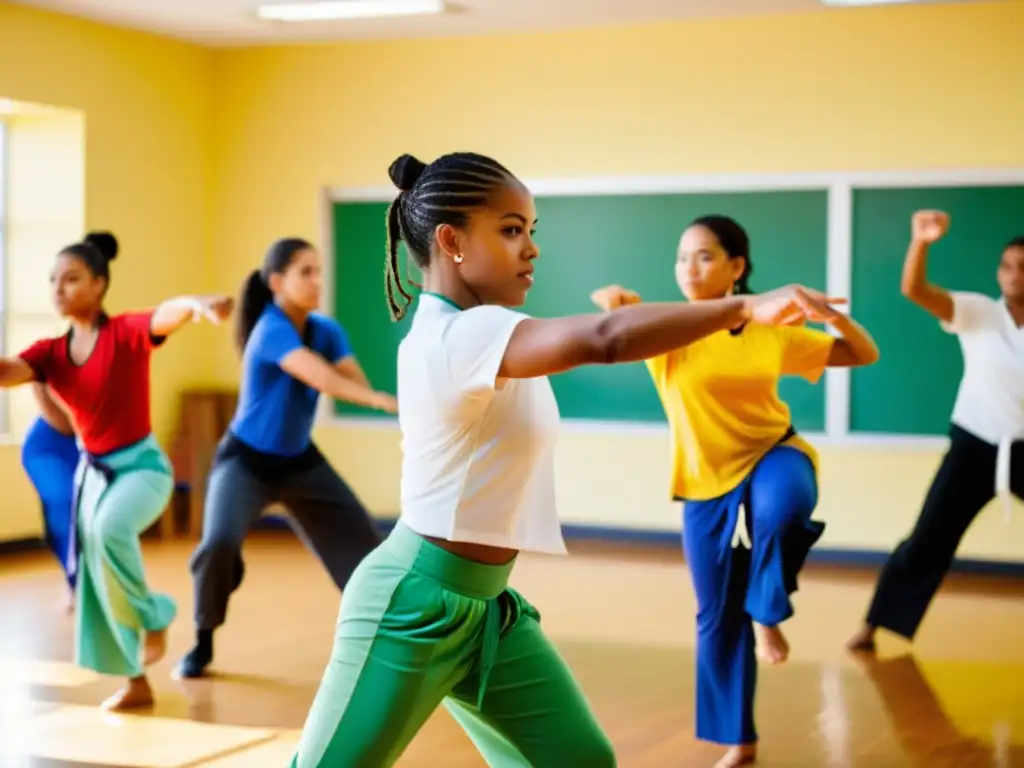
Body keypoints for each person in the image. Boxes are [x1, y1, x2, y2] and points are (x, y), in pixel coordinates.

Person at [288, 153, 844, 768]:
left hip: (488, 611)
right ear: (452, 241)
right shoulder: (453, 337)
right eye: (510, 229)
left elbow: (602, 335)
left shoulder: (492, 331)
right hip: (414, 603)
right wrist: (741, 308)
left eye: (531, 230)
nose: (532, 248)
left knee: (579, 761)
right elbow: (605, 339)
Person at [591, 214, 879, 768]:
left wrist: (831, 316)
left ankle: (768, 609)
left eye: (702, 255)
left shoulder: (771, 332)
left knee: (787, 508)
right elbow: (612, 329)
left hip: (775, 453)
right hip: (704, 481)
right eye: (681, 257)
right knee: (715, 615)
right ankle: (738, 739)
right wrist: (615, 302)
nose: (687, 267)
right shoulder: (666, 328)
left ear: (736, 267)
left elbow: (862, 354)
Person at [0, 231, 233, 711]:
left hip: (142, 469)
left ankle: (155, 614)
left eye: (71, 279)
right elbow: (9, 371)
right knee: (96, 577)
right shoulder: (50, 352)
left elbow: (166, 314)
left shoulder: (125, 332)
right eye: (53, 281)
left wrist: (195, 303)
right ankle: (135, 682)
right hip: (93, 474)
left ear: (99, 284)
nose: (58, 288)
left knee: (109, 531)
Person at [177, 237, 397, 679]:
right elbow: (320, 376)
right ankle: (203, 639)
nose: (317, 280)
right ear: (277, 282)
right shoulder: (270, 328)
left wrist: (371, 392)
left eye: (319, 271)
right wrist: (377, 400)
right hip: (246, 462)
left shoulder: (326, 330)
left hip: (300, 462)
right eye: (306, 272)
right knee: (218, 545)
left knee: (365, 545)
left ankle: (387, 634)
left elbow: (349, 376)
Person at [847, 211, 1024, 654]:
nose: (1015, 274)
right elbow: (915, 290)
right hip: (974, 444)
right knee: (928, 539)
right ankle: (873, 626)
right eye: (1008, 265)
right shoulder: (979, 312)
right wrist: (920, 242)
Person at [20, 385, 81, 611]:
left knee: (88, 511)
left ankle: (86, 582)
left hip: (86, 440)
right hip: (50, 444)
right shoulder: (48, 354)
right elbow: (64, 422)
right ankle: (75, 583)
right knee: (66, 504)